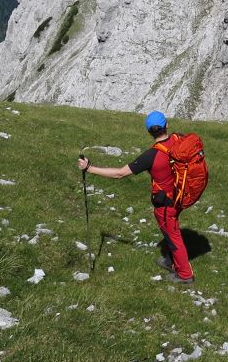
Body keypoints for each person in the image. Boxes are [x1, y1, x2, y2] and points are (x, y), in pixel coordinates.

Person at [77, 111, 194, 285]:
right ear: (167, 125)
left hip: (165, 203)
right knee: (170, 232)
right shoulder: (179, 140)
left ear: (149, 131)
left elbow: (120, 173)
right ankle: (171, 260)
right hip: (181, 194)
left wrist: (90, 168)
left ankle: (185, 274)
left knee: (172, 235)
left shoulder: (151, 156)